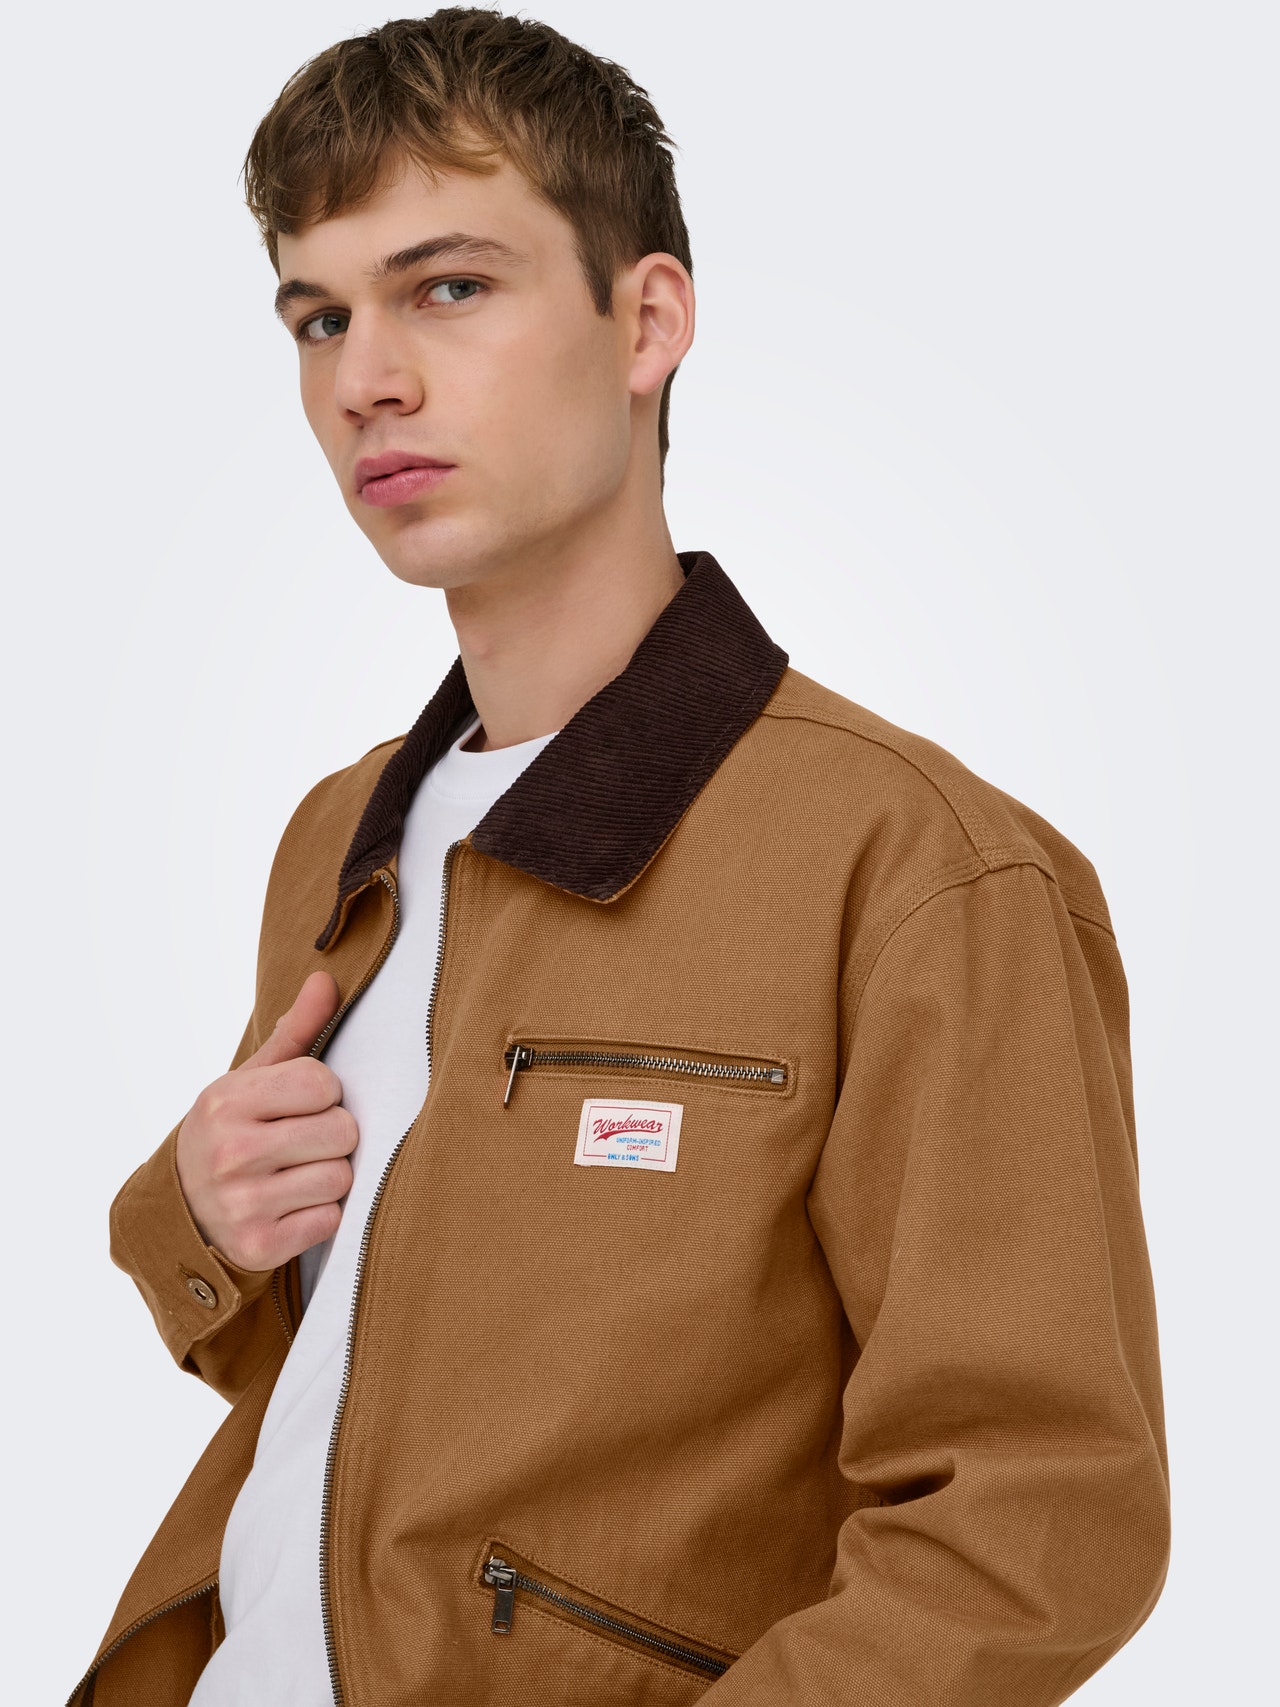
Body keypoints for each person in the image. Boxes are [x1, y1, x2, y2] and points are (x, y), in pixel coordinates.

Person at [69, 9, 1170, 1705]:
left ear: (647, 321)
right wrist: (197, 1216)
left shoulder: (918, 870)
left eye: (448, 287)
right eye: (320, 316)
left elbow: (1038, 1519)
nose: (365, 379)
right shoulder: (338, 836)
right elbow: (382, 1387)